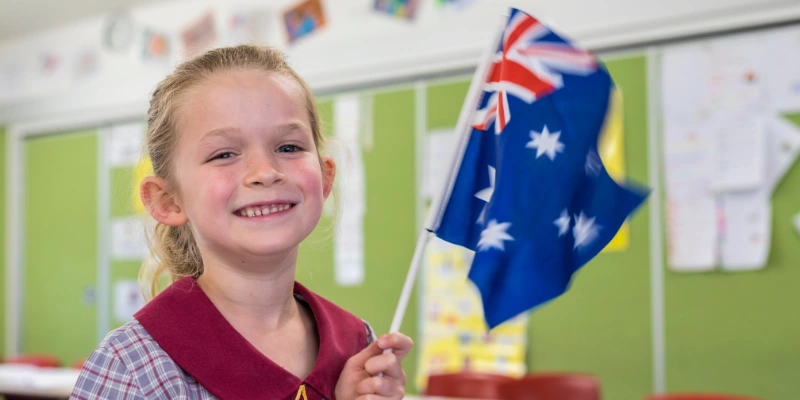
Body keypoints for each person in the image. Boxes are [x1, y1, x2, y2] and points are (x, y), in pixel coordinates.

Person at [70, 44, 413, 400]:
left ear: (325, 178)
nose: (265, 172)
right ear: (167, 200)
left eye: (289, 147)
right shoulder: (133, 367)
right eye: (224, 154)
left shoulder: (358, 345)